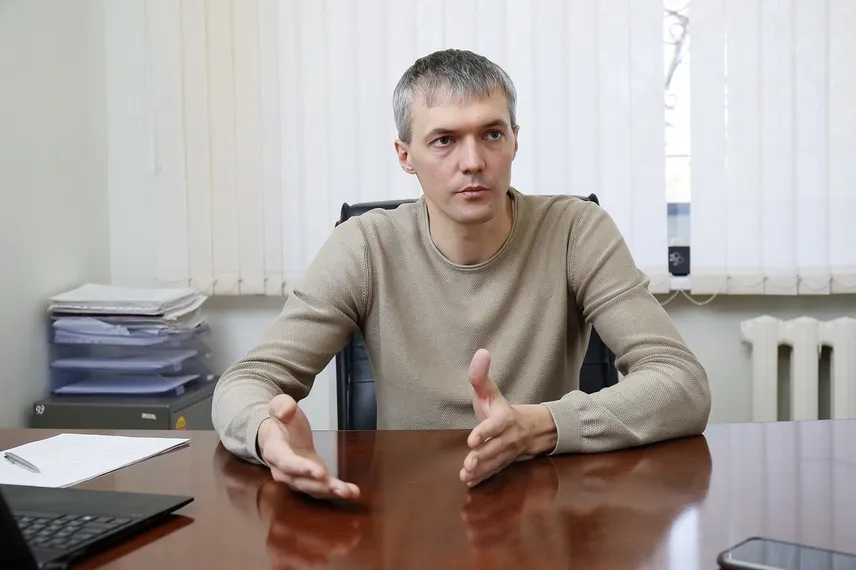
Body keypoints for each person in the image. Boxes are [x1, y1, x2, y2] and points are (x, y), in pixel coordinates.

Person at [211, 48, 710, 501]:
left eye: (492, 134)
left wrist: (540, 426)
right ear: (405, 156)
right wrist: (267, 435)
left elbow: (681, 383)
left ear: (515, 141)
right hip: (408, 513)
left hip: (544, 504)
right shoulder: (365, 246)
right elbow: (247, 381)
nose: (473, 162)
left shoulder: (576, 231)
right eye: (444, 140)